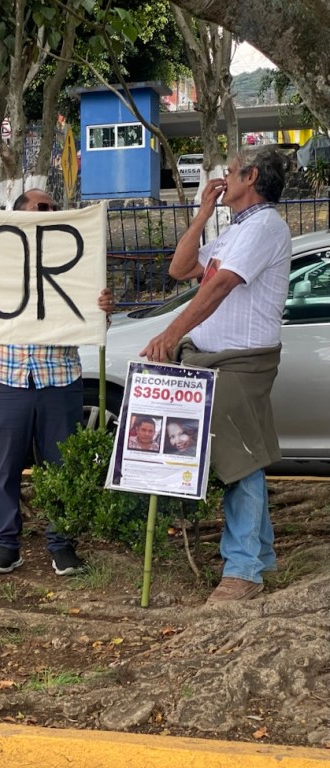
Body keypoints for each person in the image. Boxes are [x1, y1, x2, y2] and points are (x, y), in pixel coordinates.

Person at [141, 145, 291, 604]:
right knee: (242, 455)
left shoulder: (264, 225)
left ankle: (243, 569)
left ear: (251, 178)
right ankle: (259, 556)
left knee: (237, 460)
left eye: (230, 171)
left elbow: (222, 285)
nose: (222, 177)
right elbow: (181, 268)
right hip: (215, 360)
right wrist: (203, 211)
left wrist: (169, 334)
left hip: (238, 362)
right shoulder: (237, 231)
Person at [0, 188, 115, 577]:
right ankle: (6, 545)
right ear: (21, 216)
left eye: (55, 208)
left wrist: (104, 309)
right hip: (6, 376)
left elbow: (93, 322)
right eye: (43, 208)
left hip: (59, 379)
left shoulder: (75, 263)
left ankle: (62, 545)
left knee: (60, 468)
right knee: (4, 469)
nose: (52, 212)